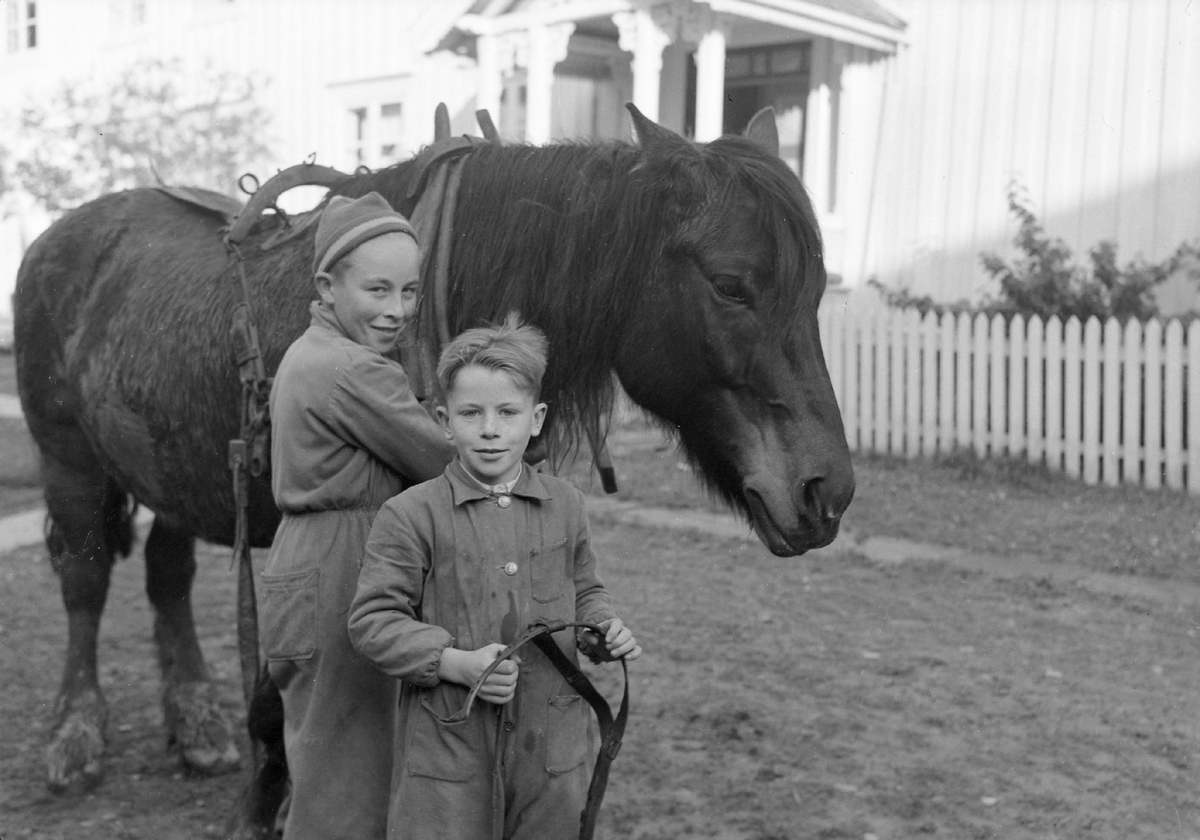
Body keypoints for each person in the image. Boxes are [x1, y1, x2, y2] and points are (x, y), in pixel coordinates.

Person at [349, 315, 642, 840]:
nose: (490, 429)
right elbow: (372, 622)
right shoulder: (410, 514)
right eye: (471, 413)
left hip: (552, 752)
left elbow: (585, 589)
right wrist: (453, 662)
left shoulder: (567, 505)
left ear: (536, 418)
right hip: (450, 752)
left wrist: (603, 629)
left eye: (508, 412)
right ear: (444, 420)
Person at [260, 191, 456, 840]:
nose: (397, 310)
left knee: (324, 761)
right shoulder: (352, 371)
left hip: (304, 566)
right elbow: (443, 462)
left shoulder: (308, 354)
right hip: (340, 571)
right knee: (349, 788)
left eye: (409, 291)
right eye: (377, 289)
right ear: (327, 285)